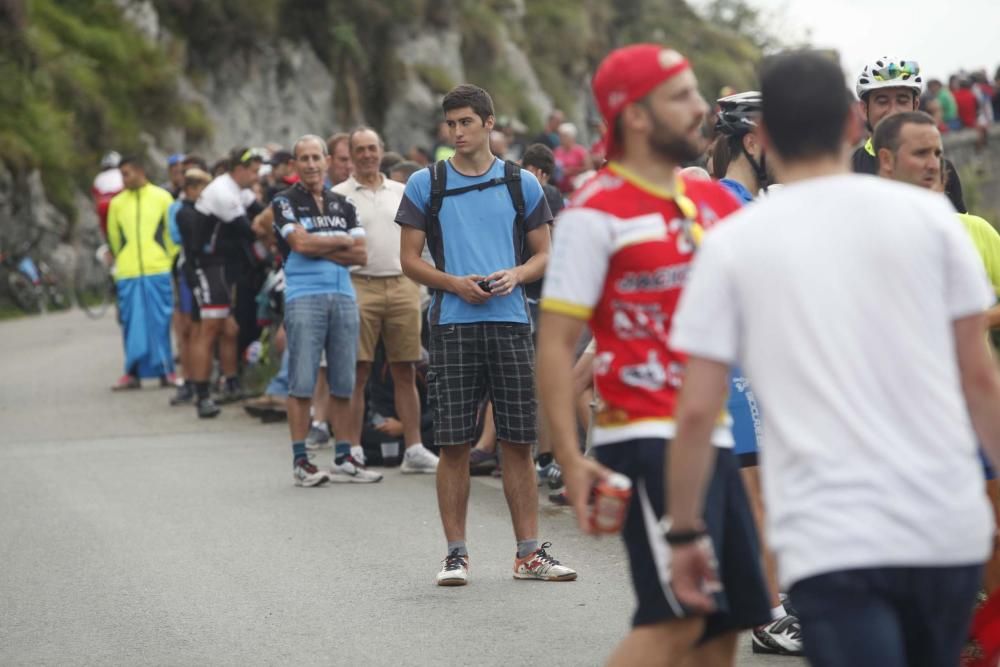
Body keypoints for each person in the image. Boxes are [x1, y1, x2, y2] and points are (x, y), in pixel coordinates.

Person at [665, 51, 1000, 667]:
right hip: (944, 523)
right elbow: (981, 382)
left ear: (762, 135)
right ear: (855, 127)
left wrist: (685, 531)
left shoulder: (733, 242)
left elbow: (696, 408)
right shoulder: (934, 223)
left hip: (830, 533)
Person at [536, 44, 771, 666]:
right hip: (642, 438)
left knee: (723, 626)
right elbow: (556, 348)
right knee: (675, 620)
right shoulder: (595, 210)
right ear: (635, 115)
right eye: (682, 96)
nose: (701, 110)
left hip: (712, 435)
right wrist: (570, 458)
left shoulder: (717, 204)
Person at [396, 83, 576, 586]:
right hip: (452, 325)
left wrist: (516, 275)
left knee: (517, 441)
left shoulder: (523, 183)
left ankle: (528, 554)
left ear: (489, 123)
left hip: (513, 323)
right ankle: (456, 554)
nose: (456, 132)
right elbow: (409, 260)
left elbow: (545, 253)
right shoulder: (424, 182)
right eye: (450, 124)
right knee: (454, 444)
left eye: (466, 123)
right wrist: (452, 282)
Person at [873, 110, 1000, 600]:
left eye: (938, 155)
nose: (932, 165)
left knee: (990, 530)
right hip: (898, 415)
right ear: (886, 161)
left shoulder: (974, 231)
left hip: (970, 405)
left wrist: (976, 320)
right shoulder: (866, 237)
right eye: (920, 153)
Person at [710, 90, 802, 656]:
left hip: (757, 365)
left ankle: (771, 600)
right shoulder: (723, 199)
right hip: (734, 368)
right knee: (754, 492)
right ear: (751, 141)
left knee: (764, 489)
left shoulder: (749, 199)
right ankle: (767, 614)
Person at [272, 134, 378, 486]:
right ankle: (301, 461)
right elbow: (298, 243)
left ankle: (345, 456)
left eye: (317, 157)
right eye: (304, 158)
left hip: (344, 296)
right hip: (304, 296)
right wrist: (341, 241)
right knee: (302, 381)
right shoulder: (284, 202)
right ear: (295, 165)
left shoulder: (343, 204)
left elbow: (361, 254)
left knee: (344, 381)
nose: (312, 164)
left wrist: (318, 245)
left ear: (328, 160)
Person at [334, 127, 438, 474]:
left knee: (405, 368)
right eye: (359, 149)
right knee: (358, 370)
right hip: (358, 283)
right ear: (351, 153)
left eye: (372, 148)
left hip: (403, 284)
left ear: (381, 151)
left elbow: (421, 237)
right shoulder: (338, 195)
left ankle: (414, 448)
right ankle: (353, 450)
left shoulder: (402, 191)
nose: (366, 155)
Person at [188, 147, 266, 418]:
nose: (257, 177)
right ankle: (201, 394)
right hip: (208, 266)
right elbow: (252, 229)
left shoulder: (239, 188)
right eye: (254, 171)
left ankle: (231, 381)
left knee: (230, 329)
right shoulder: (223, 190)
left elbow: (263, 211)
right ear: (239, 169)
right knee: (209, 329)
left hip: (223, 265)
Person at [852, 57, 967, 213]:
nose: (893, 111)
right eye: (882, 101)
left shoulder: (940, 170)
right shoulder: (849, 171)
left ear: (916, 106)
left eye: (902, 100)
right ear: (864, 109)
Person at [106, 156, 179, 390]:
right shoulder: (117, 203)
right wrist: (123, 258)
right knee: (130, 323)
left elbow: (171, 233)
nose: (123, 179)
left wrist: (167, 258)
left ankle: (166, 371)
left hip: (157, 269)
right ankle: (133, 373)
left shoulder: (161, 197)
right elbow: (114, 238)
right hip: (128, 272)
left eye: (126, 173)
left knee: (160, 321)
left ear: (140, 171)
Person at [167, 168, 212, 405]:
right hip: (186, 269)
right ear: (192, 189)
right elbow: (179, 238)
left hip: (196, 269)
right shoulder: (180, 209)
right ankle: (189, 380)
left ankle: (197, 379)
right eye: (204, 189)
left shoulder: (199, 208)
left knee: (198, 329)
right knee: (189, 329)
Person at [92, 151, 123, 239]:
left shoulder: (98, 177)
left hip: (102, 205)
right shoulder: (121, 174)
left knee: (107, 234)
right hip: (117, 203)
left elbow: (95, 197)